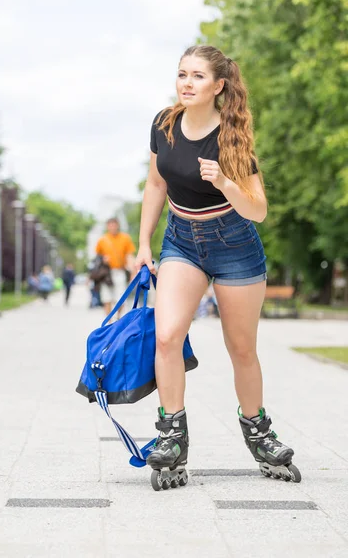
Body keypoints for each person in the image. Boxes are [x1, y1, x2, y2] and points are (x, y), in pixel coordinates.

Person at [135, 45, 299, 483]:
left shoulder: (232, 137)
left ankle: (260, 434)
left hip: (234, 244)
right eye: (181, 74)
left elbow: (258, 210)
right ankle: (171, 436)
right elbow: (155, 183)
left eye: (198, 77)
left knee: (241, 349)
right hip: (181, 241)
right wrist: (143, 243)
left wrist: (224, 180)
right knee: (167, 337)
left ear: (218, 86)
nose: (186, 83)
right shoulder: (164, 124)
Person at [95, 218, 136, 318]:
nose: (112, 227)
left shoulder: (125, 238)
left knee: (121, 297)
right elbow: (97, 257)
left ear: (118, 225)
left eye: (114, 225)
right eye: (110, 225)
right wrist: (103, 259)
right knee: (107, 298)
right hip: (106, 272)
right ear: (107, 226)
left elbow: (129, 255)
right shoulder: (103, 240)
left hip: (120, 271)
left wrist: (133, 271)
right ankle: (109, 321)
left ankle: (118, 317)